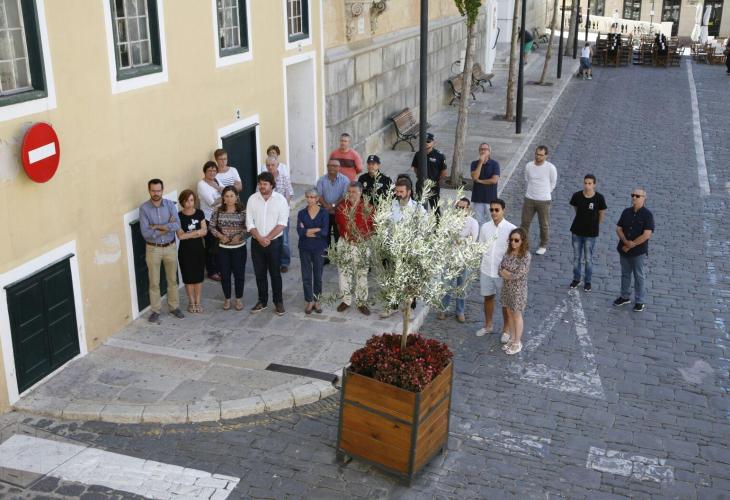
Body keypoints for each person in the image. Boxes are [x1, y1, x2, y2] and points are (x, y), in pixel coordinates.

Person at [139, 179, 183, 323]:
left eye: (158, 190)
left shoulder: (170, 205)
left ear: (162, 190)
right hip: (153, 249)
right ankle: (155, 310)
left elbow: (177, 224)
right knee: (154, 282)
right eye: (153, 190)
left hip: (170, 247)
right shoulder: (144, 209)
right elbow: (146, 233)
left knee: (172, 279)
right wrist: (166, 227)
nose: (156, 193)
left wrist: (156, 227)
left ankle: (174, 307)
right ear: (149, 190)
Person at [379, 177, 423, 318]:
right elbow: (384, 224)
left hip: (409, 251)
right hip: (392, 250)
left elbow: (424, 229)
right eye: (396, 191)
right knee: (391, 279)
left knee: (409, 280)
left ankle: (409, 308)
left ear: (409, 192)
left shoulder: (418, 208)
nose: (398, 194)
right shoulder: (390, 205)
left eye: (401, 191)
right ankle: (392, 306)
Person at [246, 172, 289, 315]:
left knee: (275, 274)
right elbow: (249, 222)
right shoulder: (252, 199)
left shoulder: (281, 200)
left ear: (272, 185)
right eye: (260, 183)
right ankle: (262, 301)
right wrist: (259, 238)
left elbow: (282, 223)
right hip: (257, 242)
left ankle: (278, 302)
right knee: (260, 274)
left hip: (275, 243)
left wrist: (268, 238)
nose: (261, 186)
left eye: (265, 184)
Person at [476, 198, 516, 339]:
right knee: (488, 298)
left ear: (503, 210)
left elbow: (515, 252)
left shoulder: (511, 229)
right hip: (486, 269)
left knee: (505, 302)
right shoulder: (485, 227)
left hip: (502, 273)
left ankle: (506, 330)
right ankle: (488, 326)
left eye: (496, 210)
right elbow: (480, 246)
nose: (493, 212)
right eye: (491, 209)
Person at [335, 182, 374, 316]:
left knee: (362, 274)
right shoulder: (341, 206)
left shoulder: (368, 208)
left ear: (361, 192)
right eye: (350, 191)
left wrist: (362, 238)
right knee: (344, 273)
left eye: (354, 192)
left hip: (362, 245)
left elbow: (373, 228)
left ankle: (361, 302)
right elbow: (341, 225)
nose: (351, 194)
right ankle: (345, 300)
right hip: (345, 244)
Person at [439, 198, 479, 323]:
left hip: (464, 258)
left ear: (468, 208)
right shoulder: (449, 220)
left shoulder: (473, 222)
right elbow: (444, 236)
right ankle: (443, 308)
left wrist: (458, 240)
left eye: (463, 207)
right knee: (446, 284)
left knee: (462, 286)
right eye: (458, 207)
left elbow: (472, 240)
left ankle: (460, 311)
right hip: (450, 257)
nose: (460, 210)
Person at [613, 189, 654, 312]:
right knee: (625, 274)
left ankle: (639, 300)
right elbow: (619, 228)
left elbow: (647, 234)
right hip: (624, 249)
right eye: (633, 195)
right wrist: (626, 242)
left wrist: (633, 244)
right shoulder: (626, 212)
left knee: (639, 275)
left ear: (644, 198)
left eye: (637, 196)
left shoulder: (647, 215)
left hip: (638, 252)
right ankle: (624, 296)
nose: (634, 197)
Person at [209, 186, 247, 311]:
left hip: (239, 248)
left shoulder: (243, 212)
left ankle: (239, 299)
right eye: (226, 196)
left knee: (239, 274)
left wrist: (240, 236)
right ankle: (227, 298)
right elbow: (211, 227)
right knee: (225, 275)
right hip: (223, 248)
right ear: (223, 199)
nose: (229, 199)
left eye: (232, 196)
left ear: (236, 197)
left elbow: (248, 228)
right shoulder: (217, 211)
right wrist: (220, 235)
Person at [569, 174, 607, 291]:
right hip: (576, 231)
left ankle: (588, 281)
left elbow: (601, 213)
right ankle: (576, 279)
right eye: (585, 183)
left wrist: (595, 225)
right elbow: (576, 209)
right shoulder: (577, 196)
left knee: (588, 258)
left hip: (590, 234)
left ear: (594, 184)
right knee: (576, 258)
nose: (587, 185)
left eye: (589, 183)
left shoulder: (599, 198)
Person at [499, 228, 531, 355]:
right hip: (507, 289)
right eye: (511, 240)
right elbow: (500, 268)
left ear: (522, 241)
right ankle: (512, 338)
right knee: (509, 313)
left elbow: (519, 274)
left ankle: (517, 342)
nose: (513, 242)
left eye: (516, 240)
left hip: (518, 291)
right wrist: (506, 273)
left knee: (517, 315)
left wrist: (507, 273)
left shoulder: (526, 256)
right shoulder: (508, 253)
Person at [521, 145, 557, 255]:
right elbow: (527, 179)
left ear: (546, 156)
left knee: (544, 224)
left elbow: (553, 183)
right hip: (529, 198)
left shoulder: (550, 168)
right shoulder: (529, 166)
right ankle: (523, 244)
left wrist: (545, 192)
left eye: (541, 155)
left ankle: (543, 244)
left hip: (544, 200)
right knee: (525, 223)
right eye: (537, 154)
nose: (538, 157)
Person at [297, 188, 329, 314]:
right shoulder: (301, 213)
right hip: (304, 247)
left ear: (317, 199)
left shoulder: (324, 213)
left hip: (318, 248)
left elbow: (325, 232)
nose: (310, 199)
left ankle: (317, 300)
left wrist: (308, 231)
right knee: (306, 276)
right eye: (308, 197)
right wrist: (316, 229)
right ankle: (309, 300)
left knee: (318, 275)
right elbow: (300, 232)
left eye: (312, 197)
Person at [176, 190, 207, 313]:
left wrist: (189, 234)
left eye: (191, 200)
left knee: (198, 277)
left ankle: (198, 302)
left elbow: (205, 231)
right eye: (186, 200)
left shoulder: (199, 213)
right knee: (188, 277)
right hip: (185, 251)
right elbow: (180, 236)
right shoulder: (178, 216)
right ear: (182, 202)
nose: (189, 203)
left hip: (199, 249)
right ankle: (191, 302)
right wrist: (197, 233)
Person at [316, 159, 350, 263]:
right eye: (330, 166)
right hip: (324, 212)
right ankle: (327, 256)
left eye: (335, 166)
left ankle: (338, 256)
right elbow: (318, 195)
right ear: (327, 167)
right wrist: (326, 206)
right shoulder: (321, 180)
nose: (332, 168)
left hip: (339, 212)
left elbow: (344, 196)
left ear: (339, 168)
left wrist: (333, 206)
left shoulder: (345, 180)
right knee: (324, 235)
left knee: (338, 235)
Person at [265, 155, 294, 273]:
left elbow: (289, 194)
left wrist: (283, 208)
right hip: (267, 215)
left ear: (277, 165)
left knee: (284, 241)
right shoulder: (263, 179)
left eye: (272, 165)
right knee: (269, 238)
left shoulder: (284, 177)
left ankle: (284, 262)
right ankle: (271, 261)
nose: (270, 167)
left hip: (282, 215)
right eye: (268, 165)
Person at [197, 161, 222, 281]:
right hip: (208, 219)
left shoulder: (216, 181)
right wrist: (226, 196)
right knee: (211, 246)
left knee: (219, 244)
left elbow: (225, 190)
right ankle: (211, 271)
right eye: (209, 171)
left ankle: (219, 268)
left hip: (219, 217)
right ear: (205, 172)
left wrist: (222, 191)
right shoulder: (201, 185)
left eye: (214, 170)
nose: (212, 173)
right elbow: (211, 202)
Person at [411, 133, 447, 211]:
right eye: (424, 141)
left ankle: (438, 223)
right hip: (421, 184)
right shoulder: (418, 154)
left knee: (435, 208)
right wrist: (419, 176)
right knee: (419, 206)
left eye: (428, 141)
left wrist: (437, 181)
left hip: (433, 186)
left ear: (433, 142)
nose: (426, 144)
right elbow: (415, 167)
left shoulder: (439, 156)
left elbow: (443, 171)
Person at [470, 143, 500, 226]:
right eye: (481, 149)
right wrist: (480, 162)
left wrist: (480, 181)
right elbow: (475, 177)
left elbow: (494, 180)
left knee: (493, 222)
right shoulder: (474, 163)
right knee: (478, 223)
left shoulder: (495, 164)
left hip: (490, 199)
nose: (483, 151)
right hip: (478, 198)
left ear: (489, 152)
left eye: (485, 149)